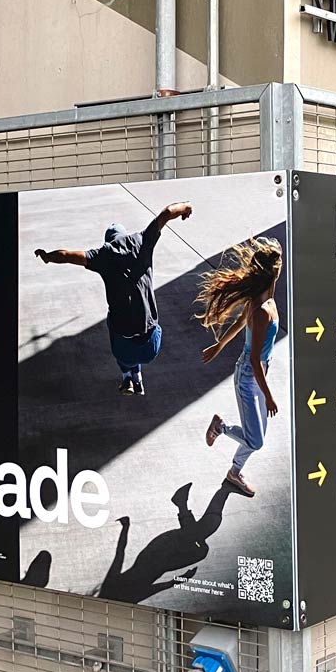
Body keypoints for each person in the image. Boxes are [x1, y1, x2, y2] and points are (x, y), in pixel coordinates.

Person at [34, 201, 192, 394]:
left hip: (124, 349)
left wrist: (47, 256)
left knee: (113, 321)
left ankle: (128, 376)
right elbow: (167, 212)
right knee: (146, 326)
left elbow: (66, 255)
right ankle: (137, 378)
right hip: (150, 348)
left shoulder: (102, 255)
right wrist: (186, 207)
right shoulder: (142, 240)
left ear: (108, 241)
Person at [197, 236, 282, 497]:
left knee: (256, 436)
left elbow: (239, 324)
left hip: (260, 372)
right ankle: (220, 427)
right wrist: (268, 396)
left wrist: (219, 345)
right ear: (274, 274)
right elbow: (254, 358)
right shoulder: (261, 310)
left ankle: (234, 473)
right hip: (248, 376)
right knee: (256, 440)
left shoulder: (266, 300)